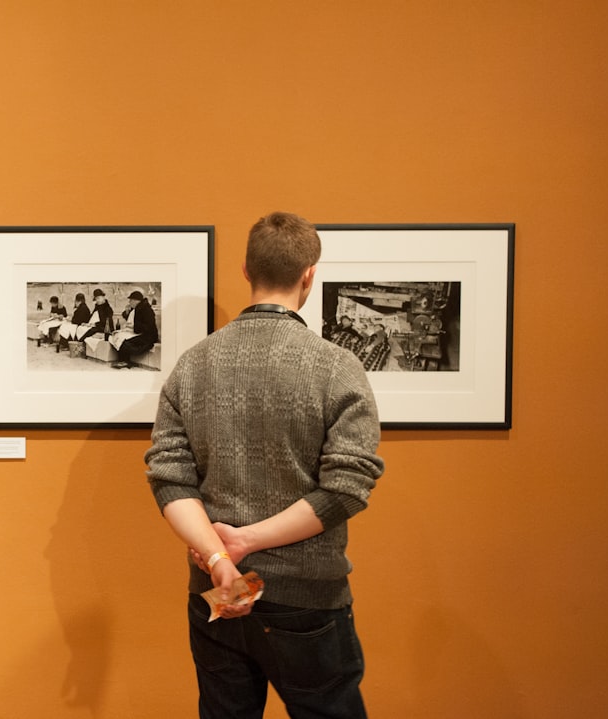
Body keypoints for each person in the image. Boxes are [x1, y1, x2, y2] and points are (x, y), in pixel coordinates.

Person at [145, 211, 384, 719]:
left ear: (245, 271)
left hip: (217, 588)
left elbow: (169, 477)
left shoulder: (194, 363)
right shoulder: (337, 367)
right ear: (308, 275)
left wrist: (219, 558)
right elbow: (346, 488)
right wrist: (246, 541)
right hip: (308, 597)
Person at [110, 289, 159, 369]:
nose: (129, 302)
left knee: (125, 342)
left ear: (136, 301)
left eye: (130, 300)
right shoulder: (138, 308)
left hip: (149, 336)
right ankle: (123, 361)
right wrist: (127, 312)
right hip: (142, 333)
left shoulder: (146, 310)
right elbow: (128, 317)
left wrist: (136, 327)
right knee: (122, 339)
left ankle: (125, 362)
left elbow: (148, 327)